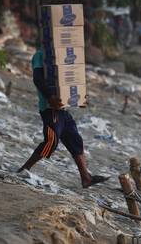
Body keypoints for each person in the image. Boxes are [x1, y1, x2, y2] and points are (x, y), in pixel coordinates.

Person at [18, 43, 109, 188]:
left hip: (63, 109)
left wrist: (78, 97)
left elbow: (72, 78)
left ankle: (86, 177)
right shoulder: (41, 55)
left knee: (75, 140)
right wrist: (50, 97)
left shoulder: (64, 56)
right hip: (50, 108)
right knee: (51, 141)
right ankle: (24, 169)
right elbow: (38, 79)